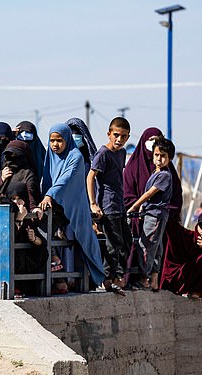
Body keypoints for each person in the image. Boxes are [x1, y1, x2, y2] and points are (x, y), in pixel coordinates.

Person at [40, 123, 105, 290]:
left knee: (81, 243)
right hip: (54, 208)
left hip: (74, 208)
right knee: (55, 246)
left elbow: (66, 179)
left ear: (67, 140)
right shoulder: (50, 157)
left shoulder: (75, 156)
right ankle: (58, 282)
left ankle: (87, 279)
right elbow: (47, 179)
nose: (55, 144)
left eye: (59, 140)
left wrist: (49, 194)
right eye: (52, 140)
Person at [87, 117, 131, 294]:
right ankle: (107, 279)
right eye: (116, 135)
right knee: (113, 245)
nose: (119, 140)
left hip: (119, 204)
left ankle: (116, 277)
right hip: (108, 205)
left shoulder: (121, 153)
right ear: (109, 134)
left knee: (126, 242)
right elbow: (91, 177)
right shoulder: (103, 153)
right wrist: (93, 203)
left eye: (123, 136)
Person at [127, 138, 176, 291]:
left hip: (155, 215)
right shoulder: (156, 172)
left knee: (146, 245)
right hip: (152, 214)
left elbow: (150, 193)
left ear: (169, 158)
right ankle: (152, 280)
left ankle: (144, 278)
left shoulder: (165, 176)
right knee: (155, 247)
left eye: (163, 156)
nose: (159, 159)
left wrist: (135, 205)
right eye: (156, 155)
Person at [160, 211, 202, 302]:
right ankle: (195, 292)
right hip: (188, 281)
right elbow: (173, 229)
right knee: (201, 259)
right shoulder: (189, 237)